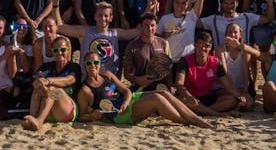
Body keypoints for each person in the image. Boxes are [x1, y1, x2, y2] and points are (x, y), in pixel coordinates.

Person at [76, 53, 214, 129]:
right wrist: (92, 116)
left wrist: (125, 102)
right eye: (89, 63)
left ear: (100, 64)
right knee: (157, 99)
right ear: (84, 65)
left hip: (127, 103)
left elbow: (126, 91)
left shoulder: (107, 75)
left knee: (164, 93)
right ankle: (189, 122)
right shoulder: (85, 90)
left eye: (95, 63)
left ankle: (195, 119)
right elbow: (81, 116)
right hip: (118, 115)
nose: (92, 66)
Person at [172, 31, 247, 116]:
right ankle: (217, 114)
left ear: (211, 47)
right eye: (200, 45)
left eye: (207, 46)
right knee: (182, 99)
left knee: (232, 99)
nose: (203, 48)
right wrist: (189, 96)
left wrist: (240, 96)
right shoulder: (185, 60)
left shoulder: (215, 62)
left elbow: (228, 85)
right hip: (190, 95)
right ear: (195, 45)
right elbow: (179, 83)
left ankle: (203, 112)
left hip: (208, 96)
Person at [60, 3, 141, 75]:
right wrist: (55, 6)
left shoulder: (115, 33)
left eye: (106, 16)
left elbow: (137, 31)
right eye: (100, 15)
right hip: (87, 81)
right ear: (95, 16)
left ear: (111, 18)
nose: (103, 18)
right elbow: (60, 27)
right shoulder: (85, 32)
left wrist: (149, 9)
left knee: (120, 92)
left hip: (110, 83)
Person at [20, 36, 81, 132]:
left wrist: (48, 81)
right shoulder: (47, 66)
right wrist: (38, 84)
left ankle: (39, 121)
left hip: (67, 110)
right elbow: (35, 79)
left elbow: (69, 80)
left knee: (53, 89)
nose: (59, 53)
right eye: (56, 50)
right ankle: (32, 119)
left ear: (68, 51)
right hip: (49, 112)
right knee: (38, 87)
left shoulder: (74, 67)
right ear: (52, 52)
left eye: (63, 49)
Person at [121, 12, 175, 92]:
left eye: (152, 25)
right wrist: (138, 80)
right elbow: (127, 74)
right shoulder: (132, 45)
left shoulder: (164, 43)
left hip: (162, 88)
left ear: (156, 27)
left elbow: (168, 69)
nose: (150, 28)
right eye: (146, 25)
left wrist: (170, 86)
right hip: (141, 89)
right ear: (141, 27)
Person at [219, 22, 261, 110]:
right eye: (229, 32)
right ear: (226, 35)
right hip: (226, 88)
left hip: (241, 88)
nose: (232, 35)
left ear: (240, 35)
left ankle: (237, 104)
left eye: (235, 32)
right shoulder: (220, 50)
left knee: (248, 103)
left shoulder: (244, 51)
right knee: (231, 100)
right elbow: (224, 73)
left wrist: (245, 91)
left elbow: (246, 73)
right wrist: (235, 93)